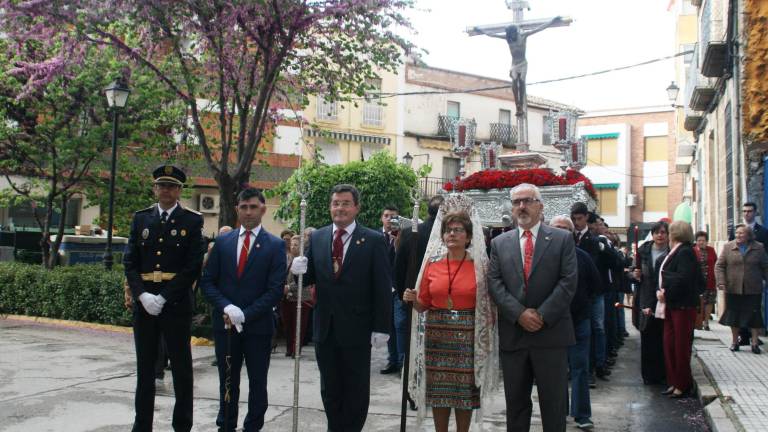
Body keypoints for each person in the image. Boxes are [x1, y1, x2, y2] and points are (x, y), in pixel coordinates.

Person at [289, 184, 392, 432]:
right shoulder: (319, 237)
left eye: (346, 203)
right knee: (330, 388)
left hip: (358, 328)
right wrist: (297, 269)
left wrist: (381, 327)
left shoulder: (374, 240)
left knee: (356, 389)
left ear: (356, 207)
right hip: (325, 327)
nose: (340, 208)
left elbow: (381, 286)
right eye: (336, 203)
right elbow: (310, 276)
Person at [404, 195, 499, 431]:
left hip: (468, 335)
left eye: (458, 230)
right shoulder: (432, 265)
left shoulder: (480, 267)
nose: (452, 234)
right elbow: (423, 304)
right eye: (448, 230)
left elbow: (489, 306)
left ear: (468, 236)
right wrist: (412, 300)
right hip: (437, 335)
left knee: (465, 393)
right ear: (442, 234)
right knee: (438, 392)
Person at [488, 183, 577, 432]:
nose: (522, 206)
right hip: (514, 337)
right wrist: (519, 314)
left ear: (540, 206)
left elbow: (568, 282)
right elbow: (494, 283)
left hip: (551, 335)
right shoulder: (499, 243)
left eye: (527, 201)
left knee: (554, 405)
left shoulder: (562, 239)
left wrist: (541, 315)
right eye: (516, 202)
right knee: (515, 405)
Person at [124, 164, 206, 432]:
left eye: (171, 186)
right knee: (145, 368)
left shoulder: (192, 220)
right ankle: (141, 425)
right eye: (161, 185)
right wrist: (142, 295)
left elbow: (192, 266)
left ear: (180, 190)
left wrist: (165, 297)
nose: (166, 190)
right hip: (145, 302)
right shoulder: (141, 219)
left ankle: (182, 425)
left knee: (181, 368)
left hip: (176, 304)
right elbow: (130, 262)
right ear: (154, 188)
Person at [201, 188, 287, 431]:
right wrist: (226, 306)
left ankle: (253, 427)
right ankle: (226, 425)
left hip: (258, 327)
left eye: (253, 207)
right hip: (226, 325)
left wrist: (245, 314)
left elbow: (275, 290)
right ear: (237, 209)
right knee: (227, 381)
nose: (248, 212)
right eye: (243, 207)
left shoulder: (275, 245)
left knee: (258, 383)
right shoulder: (223, 242)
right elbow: (207, 282)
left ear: (263, 209)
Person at [549, 215, 599, 430]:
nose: (561, 233)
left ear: (572, 235)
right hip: (551, 322)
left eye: (565, 230)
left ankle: (581, 414)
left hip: (579, 320)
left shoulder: (583, 257)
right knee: (555, 370)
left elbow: (596, 286)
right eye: (556, 229)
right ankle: (557, 412)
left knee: (579, 367)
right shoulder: (543, 258)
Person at [657, 221, 701, 398]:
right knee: (669, 344)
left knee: (680, 346)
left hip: (682, 305)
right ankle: (674, 380)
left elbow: (683, 279)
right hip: (673, 305)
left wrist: (666, 294)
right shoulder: (678, 251)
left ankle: (682, 383)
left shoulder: (685, 252)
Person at [570, 204, 610, 383]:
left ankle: (598, 364)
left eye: (579, 218)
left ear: (586, 217)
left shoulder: (593, 239)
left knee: (597, 327)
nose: (577, 222)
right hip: (574, 293)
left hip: (591, 292)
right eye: (574, 219)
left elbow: (592, 265)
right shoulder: (568, 237)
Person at [716, 224, 768, 354]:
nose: (738, 235)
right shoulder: (728, 247)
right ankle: (735, 342)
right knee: (734, 316)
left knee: (754, 315)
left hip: (753, 288)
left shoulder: (759, 247)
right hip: (733, 287)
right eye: (737, 233)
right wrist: (721, 281)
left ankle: (755, 343)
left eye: (742, 233)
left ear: (749, 235)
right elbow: (720, 266)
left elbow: (765, 266)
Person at [632, 221, 669, 385]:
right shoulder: (643, 251)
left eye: (663, 232)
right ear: (652, 234)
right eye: (657, 232)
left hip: (663, 299)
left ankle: (662, 373)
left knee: (662, 338)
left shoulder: (671, 251)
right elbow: (632, 272)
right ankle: (648, 375)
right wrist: (635, 274)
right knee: (647, 336)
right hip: (646, 297)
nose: (660, 235)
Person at [729, 202, 768, 345]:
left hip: (754, 278)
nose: (747, 214)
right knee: (738, 309)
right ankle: (742, 336)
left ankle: (755, 337)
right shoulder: (735, 231)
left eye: (750, 211)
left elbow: (765, 257)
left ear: (755, 212)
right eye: (744, 211)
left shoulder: (763, 232)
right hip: (737, 278)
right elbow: (730, 252)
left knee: (754, 309)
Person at [380, 205, 407, 375]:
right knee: (388, 326)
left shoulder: (405, 236)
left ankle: (403, 362)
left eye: (394, 217)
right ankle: (393, 360)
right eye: (387, 216)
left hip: (398, 288)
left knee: (400, 324)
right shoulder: (375, 237)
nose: (390, 219)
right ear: (381, 218)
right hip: (383, 289)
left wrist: (397, 242)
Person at [281, 234, 314, 357]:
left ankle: (296, 350)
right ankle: (289, 349)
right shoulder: (287, 258)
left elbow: (304, 280)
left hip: (301, 298)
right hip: (286, 298)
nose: (293, 247)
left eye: (296, 245)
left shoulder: (304, 260)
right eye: (292, 245)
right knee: (287, 325)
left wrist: (289, 287)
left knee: (298, 327)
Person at [695, 231, 718, 331]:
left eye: (703, 240)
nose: (701, 242)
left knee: (709, 301)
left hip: (710, 280)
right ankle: (698, 321)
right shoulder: (693, 251)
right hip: (698, 282)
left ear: (706, 241)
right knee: (699, 302)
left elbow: (716, 263)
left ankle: (706, 321)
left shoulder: (711, 250)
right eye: (699, 240)